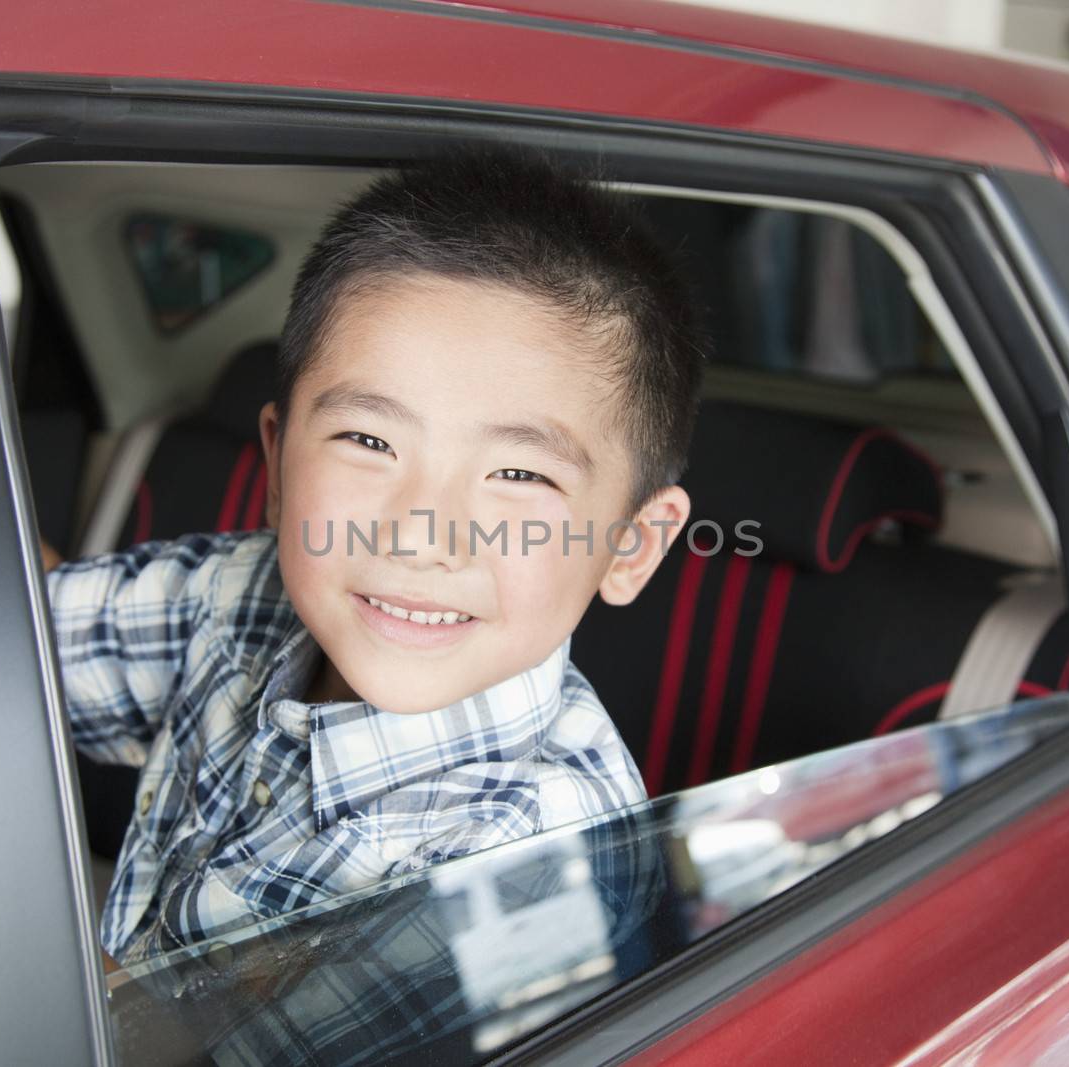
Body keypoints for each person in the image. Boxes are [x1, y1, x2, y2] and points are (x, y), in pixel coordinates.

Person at [47, 148, 707, 966]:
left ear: (630, 545)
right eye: (368, 439)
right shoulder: (245, 593)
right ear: (279, 464)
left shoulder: (535, 860)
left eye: (519, 474)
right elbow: (13, 639)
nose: (420, 534)